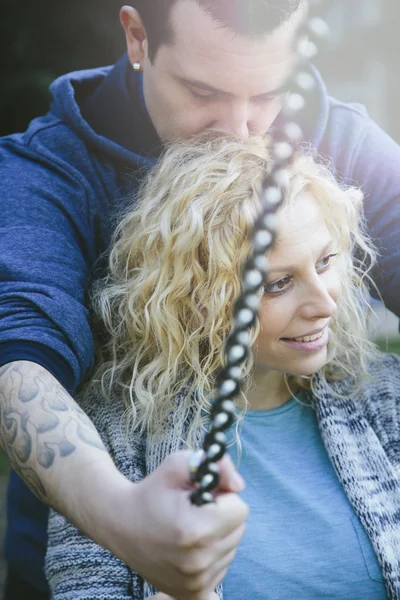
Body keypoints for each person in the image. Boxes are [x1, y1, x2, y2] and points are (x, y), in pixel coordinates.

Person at [0, 0, 400, 597]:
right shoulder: (47, 170)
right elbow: (18, 357)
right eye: (203, 91)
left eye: (269, 94)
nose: (241, 129)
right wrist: (124, 519)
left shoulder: (345, 140)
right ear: (137, 38)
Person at [45, 133, 400, 599]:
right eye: (278, 284)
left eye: (326, 260)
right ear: (196, 298)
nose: (324, 302)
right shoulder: (112, 441)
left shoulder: (384, 397)